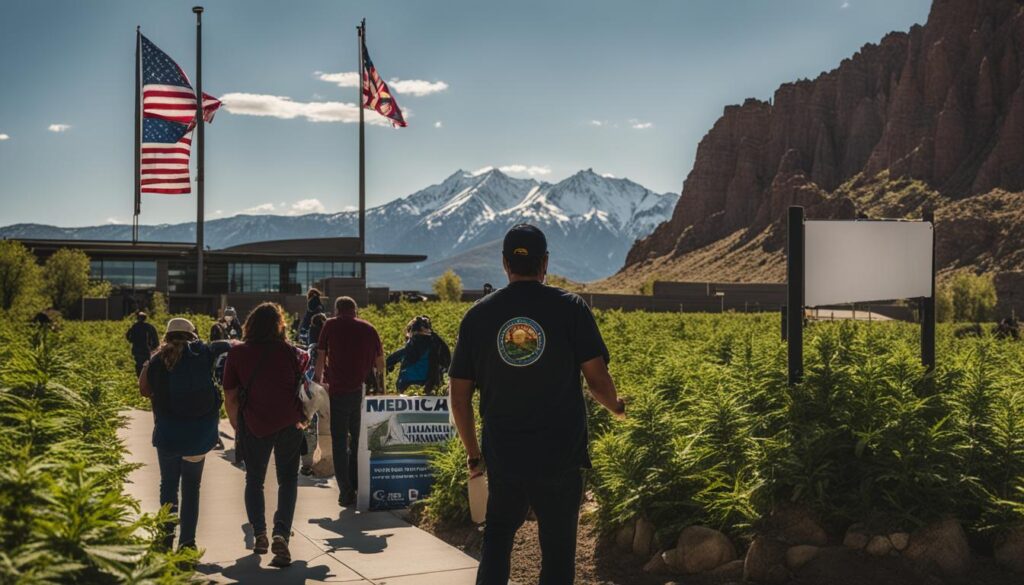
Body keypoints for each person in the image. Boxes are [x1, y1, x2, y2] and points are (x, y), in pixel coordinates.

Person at [448, 224, 626, 585]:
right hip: (560, 455)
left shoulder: (478, 316)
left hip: (504, 454)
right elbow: (597, 381)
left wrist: (473, 453)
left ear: (504, 264)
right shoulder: (571, 308)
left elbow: (459, 397)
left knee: (497, 538)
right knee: (559, 552)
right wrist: (618, 408)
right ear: (545, 263)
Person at [223, 303, 308, 568]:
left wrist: (239, 426)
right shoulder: (291, 352)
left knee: (254, 480)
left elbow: (230, 396)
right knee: (288, 480)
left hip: (256, 424)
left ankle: (259, 533)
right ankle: (281, 533)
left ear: (250, 325)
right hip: (289, 423)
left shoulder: (238, 353)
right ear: (279, 325)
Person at [138, 318, 232, 551]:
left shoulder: (158, 359)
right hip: (198, 436)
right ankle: (187, 542)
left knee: (168, 485)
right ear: (192, 335)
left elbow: (144, 390)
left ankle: (165, 537)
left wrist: (147, 364)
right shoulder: (203, 353)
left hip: (168, 434)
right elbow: (230, 345)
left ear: (167, 335)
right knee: (191, 487)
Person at [314, 296, 385, 507]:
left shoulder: (330, 325)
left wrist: (317, 382)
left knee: (339, 441)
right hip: (361, 393)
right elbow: (380, 364)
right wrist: (381, 392)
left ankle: (345, 491)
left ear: (337, 309)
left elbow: (320, 357)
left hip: (337, 392)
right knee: (358, 441)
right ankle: (356, 485)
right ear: (355, 310)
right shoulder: (369, 328)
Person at [386, 315, 452, 395]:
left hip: (406, 390)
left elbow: (388, 362)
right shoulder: (437, 346)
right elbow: (448, 363)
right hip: (430, 390)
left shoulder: (408, 349)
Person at [126, 311, 160, 376]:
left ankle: (140, 377)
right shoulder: (149, 326)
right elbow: (155, 338)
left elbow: (128, 335)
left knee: (139, 364)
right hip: (146, 350)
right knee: (146, 364)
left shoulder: (134, 326)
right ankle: (145, 377)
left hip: (137, 349)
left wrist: (131, 340)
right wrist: (154, 347)